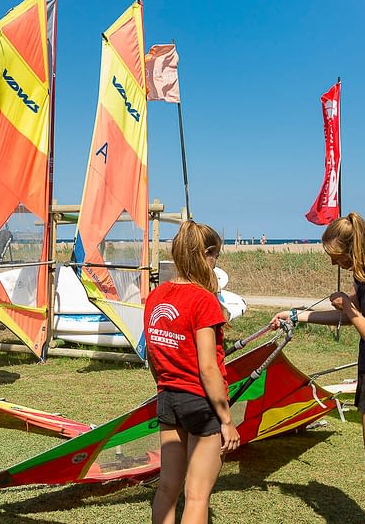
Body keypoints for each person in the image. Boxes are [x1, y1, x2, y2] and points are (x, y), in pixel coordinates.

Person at [271, 212, 365, 524]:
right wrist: (296, 315)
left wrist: (349, 306)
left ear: (353, 250)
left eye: (337, 257)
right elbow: (347, 317)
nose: (334, 264)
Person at [146, 220, 240, 524]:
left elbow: (151, 353)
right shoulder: (204, 300)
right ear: (207, 256)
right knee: (197, 495)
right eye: (217, 257)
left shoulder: (156, 297)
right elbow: (208, 367)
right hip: (200, 402)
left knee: (167, 488)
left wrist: (164, 384)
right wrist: (226, 420)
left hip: (168, 398)